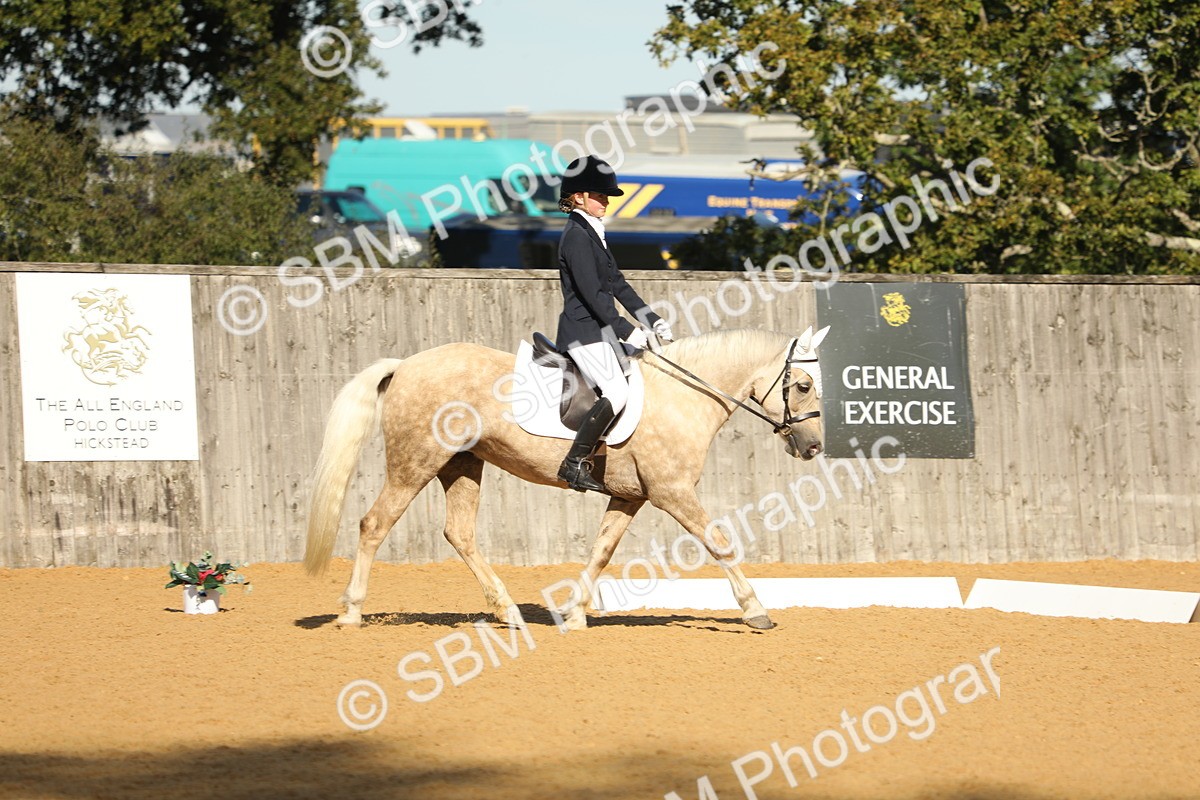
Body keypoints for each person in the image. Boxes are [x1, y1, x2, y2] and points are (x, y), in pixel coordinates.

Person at [554, 155, 674, 493]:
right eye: (600, 195)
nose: (606, 201)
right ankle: (574, 462)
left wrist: (652, 319)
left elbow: (617, 284)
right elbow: (593, 294)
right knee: (617, 392)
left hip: (599, 332)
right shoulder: (576, 236)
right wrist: (628, 330)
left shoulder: (592, 232)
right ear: (578, 197)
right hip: (583, 333)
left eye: (607, 196)